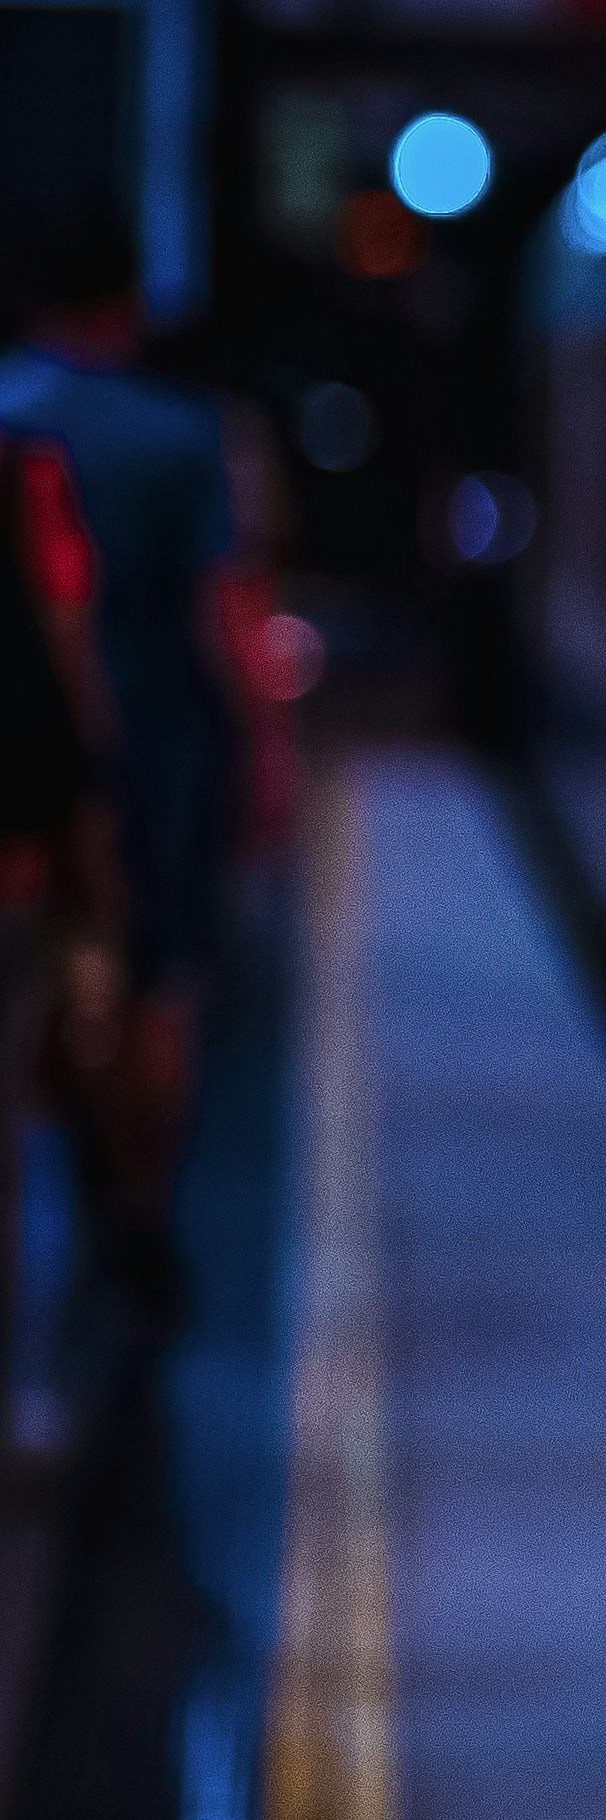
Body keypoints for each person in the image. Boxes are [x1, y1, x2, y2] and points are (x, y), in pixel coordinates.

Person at [0, 195, 240, 1284]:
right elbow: (218, 624)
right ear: (129, 304)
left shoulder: (10, 422)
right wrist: (257, 757)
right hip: (153, 761)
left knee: (34, 981)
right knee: (155, 988)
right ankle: (137, 1205)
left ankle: (60, 1159)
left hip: (19, 771)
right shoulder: (184, 438)